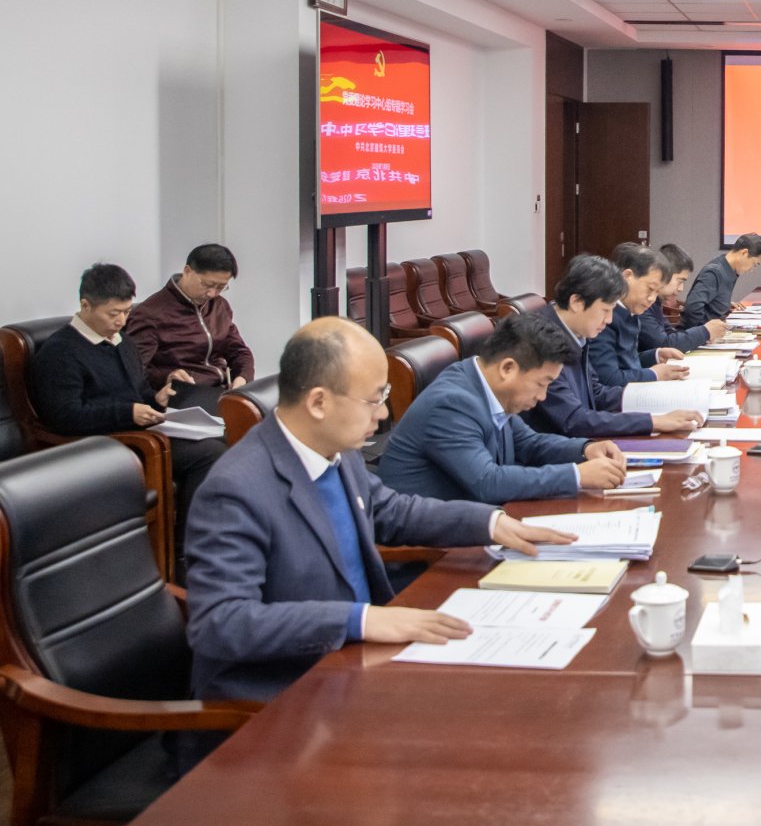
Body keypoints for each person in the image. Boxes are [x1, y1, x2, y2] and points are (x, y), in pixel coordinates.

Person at [184, 317, 572, 706]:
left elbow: (391, 510)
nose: (384, 414)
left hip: (357, 661)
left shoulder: (337, 451)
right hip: (283, 694)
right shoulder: (236, 488)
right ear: (318, 401)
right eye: (373, 399)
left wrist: (491, 522)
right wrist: (359, 619)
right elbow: (222, 622)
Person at [30, 262, 225, 558]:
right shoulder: (60, 353)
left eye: (127, 312)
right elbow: (64, 416)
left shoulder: (123, 343)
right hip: (107, 446)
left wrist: (158, 398)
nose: (122, 321)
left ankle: (214, 541)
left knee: (224, 439)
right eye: (113, 313)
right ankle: (188, 551)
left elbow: (140, 393)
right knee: (209, 455)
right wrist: (127, 413)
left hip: (140, 432)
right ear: (85, 305)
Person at [378, 313, 628, 504]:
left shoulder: (483, 384)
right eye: (542, 384)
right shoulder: (451, 404)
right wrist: (577, 475)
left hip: (480, 522)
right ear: (508, 368)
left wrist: (586, 448)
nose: (542, 397)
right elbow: (488, 481)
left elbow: (530, 443)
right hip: (431, 553)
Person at [525, 254, 703, 439]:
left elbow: (596, 394)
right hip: (559, 449)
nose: (609, 319)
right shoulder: (541, 340)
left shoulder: (575, 331)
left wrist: (662, 398)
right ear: (576, 302)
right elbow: (573, 420)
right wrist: (653, 422)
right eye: (605, 310)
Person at [127, 243, 255, 406]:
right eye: (207, 285)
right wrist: (166, 376)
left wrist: (242, 379)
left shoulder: (219, 305)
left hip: (221, 392)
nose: (212, 293)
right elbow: (134, 371)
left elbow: (239, 352)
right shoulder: (150, 314)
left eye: (221, 287)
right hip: (186, 398)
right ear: (187, 271)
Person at [590, 244, 692, 389]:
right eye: (650, 289)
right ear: (627, 276)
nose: (652, 298)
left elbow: (627, 362)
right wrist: (653, 374)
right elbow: (608, 378)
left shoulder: (632, 310)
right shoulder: (604, 317)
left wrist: (656, 355)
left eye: (657, 292)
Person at [642, 243, 727, 354]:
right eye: (680, 281)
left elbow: (669, 334)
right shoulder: (642, 303)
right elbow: (664, 344)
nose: (681, 288)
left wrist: (703, 336)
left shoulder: (656, 301)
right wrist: (705, 332)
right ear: (663, 274)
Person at [680, 233, 761, 329]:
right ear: (744, 253)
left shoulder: (730, 270)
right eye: (754, 264)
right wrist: (703, 333)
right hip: (702, 338)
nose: (752, 270)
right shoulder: (714, 272)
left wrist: (724, 303)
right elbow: (692, 308)